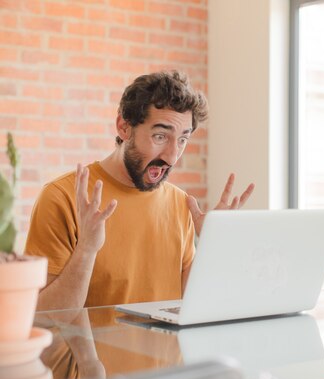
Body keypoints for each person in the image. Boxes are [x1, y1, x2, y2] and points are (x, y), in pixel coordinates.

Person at [25, 70, 254, 310]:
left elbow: (190, 306)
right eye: (160, 136)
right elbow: (43, 318)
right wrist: (87, 249)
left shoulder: (181, 204)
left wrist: (213, 245)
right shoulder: (63, 198)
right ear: (124, 127)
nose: (172, 156)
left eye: (183, 140)